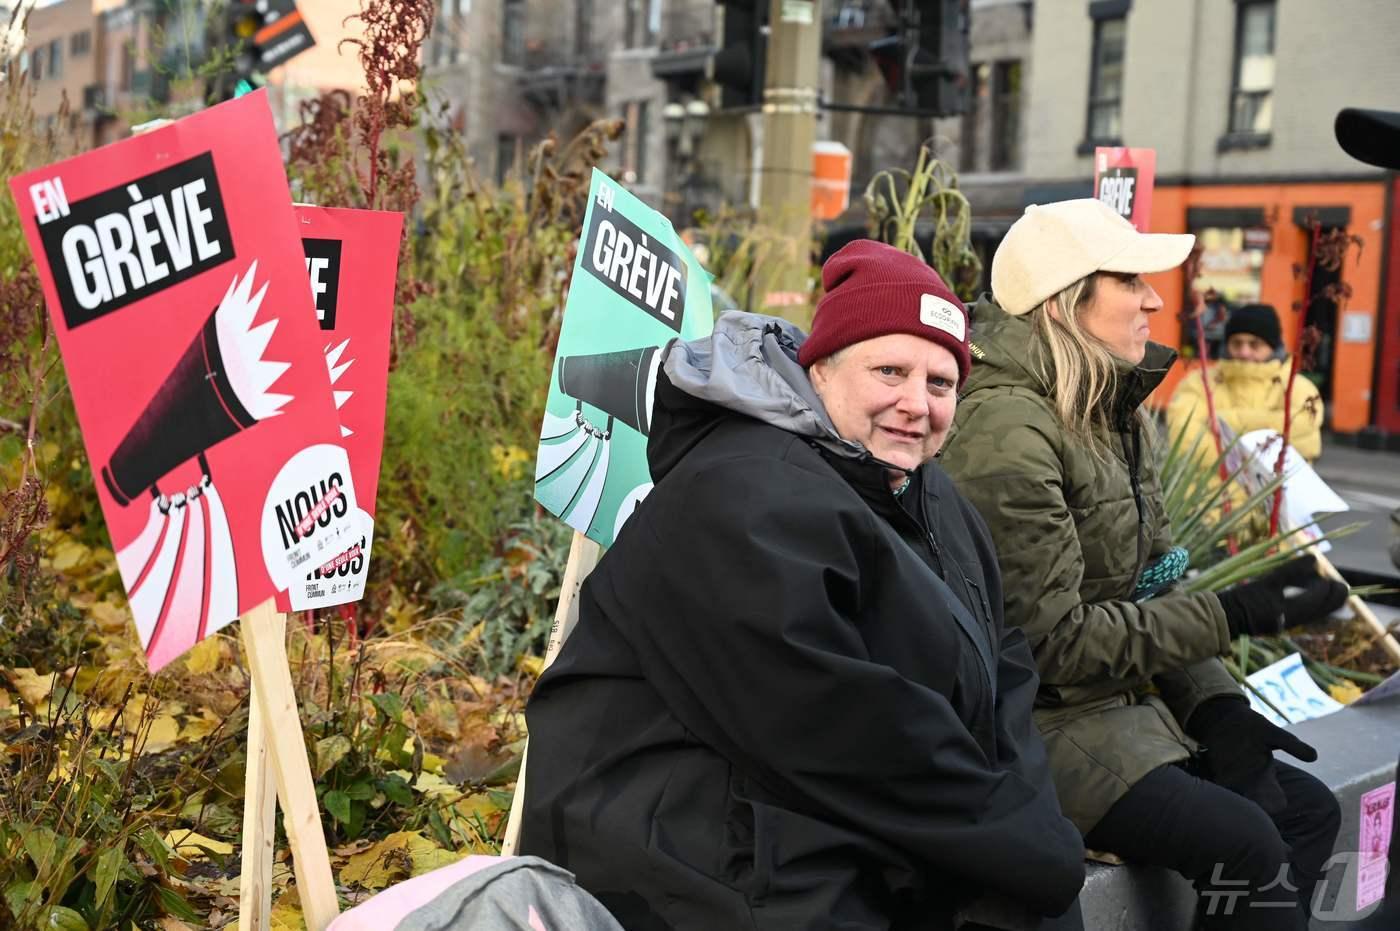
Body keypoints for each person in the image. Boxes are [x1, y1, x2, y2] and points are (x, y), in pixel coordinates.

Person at [520, 240, 1086, 930]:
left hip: (823, 810)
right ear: (819, 369)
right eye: (889, 370)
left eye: (940, 383)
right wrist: (1012, 837)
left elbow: (1002, 667)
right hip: (677, 833)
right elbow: (825, 715)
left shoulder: (927, 495)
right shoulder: (744, 490)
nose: (916, 403)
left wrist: (1026, 821)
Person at [938, 199, 1348, 930]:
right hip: (1035, 726)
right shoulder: (1006, 428)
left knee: (1308, 813)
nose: (1155, 298)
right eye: (1130, 279)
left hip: (1118, 714)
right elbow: (1050, 644)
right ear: (1065, 303)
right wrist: (1233, 613)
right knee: (1248, 845)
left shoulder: (1109, 409)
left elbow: (1153, 576)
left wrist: (1218, 706)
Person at [1167, 302, 1325, 463]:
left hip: (1274, 488)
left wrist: (1225, 421)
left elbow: (1305, 441)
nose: (1244, 352)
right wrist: (1257, 452)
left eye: (1254, 344)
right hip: (1210, 488)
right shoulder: (1199, 383)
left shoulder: (1298, 388)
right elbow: (1184, 439)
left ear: (1273, 347)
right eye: (1236, 343)